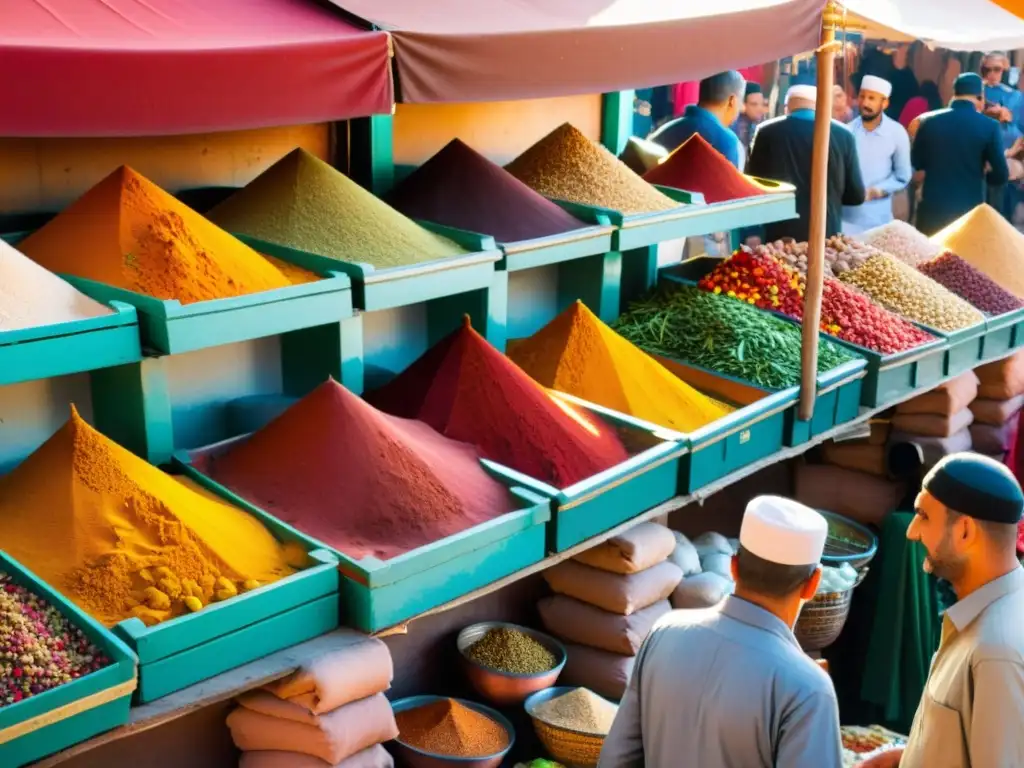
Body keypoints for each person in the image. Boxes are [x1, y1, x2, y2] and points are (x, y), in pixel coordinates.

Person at [598, 496, 843, 768]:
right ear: (813, 584)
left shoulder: (665, 631)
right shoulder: (807, 688)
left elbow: (615, 760)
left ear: (733, 566)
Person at [861, 453, 1024, 768]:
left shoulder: (996, 653)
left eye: (922, 515)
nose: (911, 531)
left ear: (964, 531)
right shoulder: (988, 614)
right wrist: (910, 757)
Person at [745, 84, 865, 241]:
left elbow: (751, 188)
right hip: (826, 237)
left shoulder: (766, 133)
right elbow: (856, 196)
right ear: (819, 105)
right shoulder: (843, 135)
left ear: (788, 107)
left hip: (779, 239)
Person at [912, 73, 1008, 235]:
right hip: (968, 213)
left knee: (930, 259)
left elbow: (917, 162)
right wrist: (985, 175)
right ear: (980, 95)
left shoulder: (928, 123)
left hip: (932, 211)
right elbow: (1001, 174)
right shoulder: (989, 127)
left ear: (954, 93)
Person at [842, 76, 912, 235]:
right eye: (862, 96)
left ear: (885, 103)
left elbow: (903, 176)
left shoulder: (897, 133)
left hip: (879, 220)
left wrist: (878, 190)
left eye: (872, 98)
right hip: (846, 220)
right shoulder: (846, 132)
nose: (865, 103)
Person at [647, 70, 745, 167]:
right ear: (732, 101)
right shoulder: (728, 142)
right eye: (741, 101)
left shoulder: (661, 133)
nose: (741, 108)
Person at [980, 52, 1024, 220]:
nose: (991, 75)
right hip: (981, 158)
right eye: (987, 70)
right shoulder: (977, 94)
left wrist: (1013, 148)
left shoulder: (1016, 97)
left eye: (996, 70)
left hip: (1008, 159)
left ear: (1004, 71)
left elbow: (1020, 130)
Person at [732, 82, 767, 155]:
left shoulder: (761, 124)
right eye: (754, 104)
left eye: (762, 104)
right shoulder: (734, 127)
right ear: (742, 105)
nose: (760, 109)